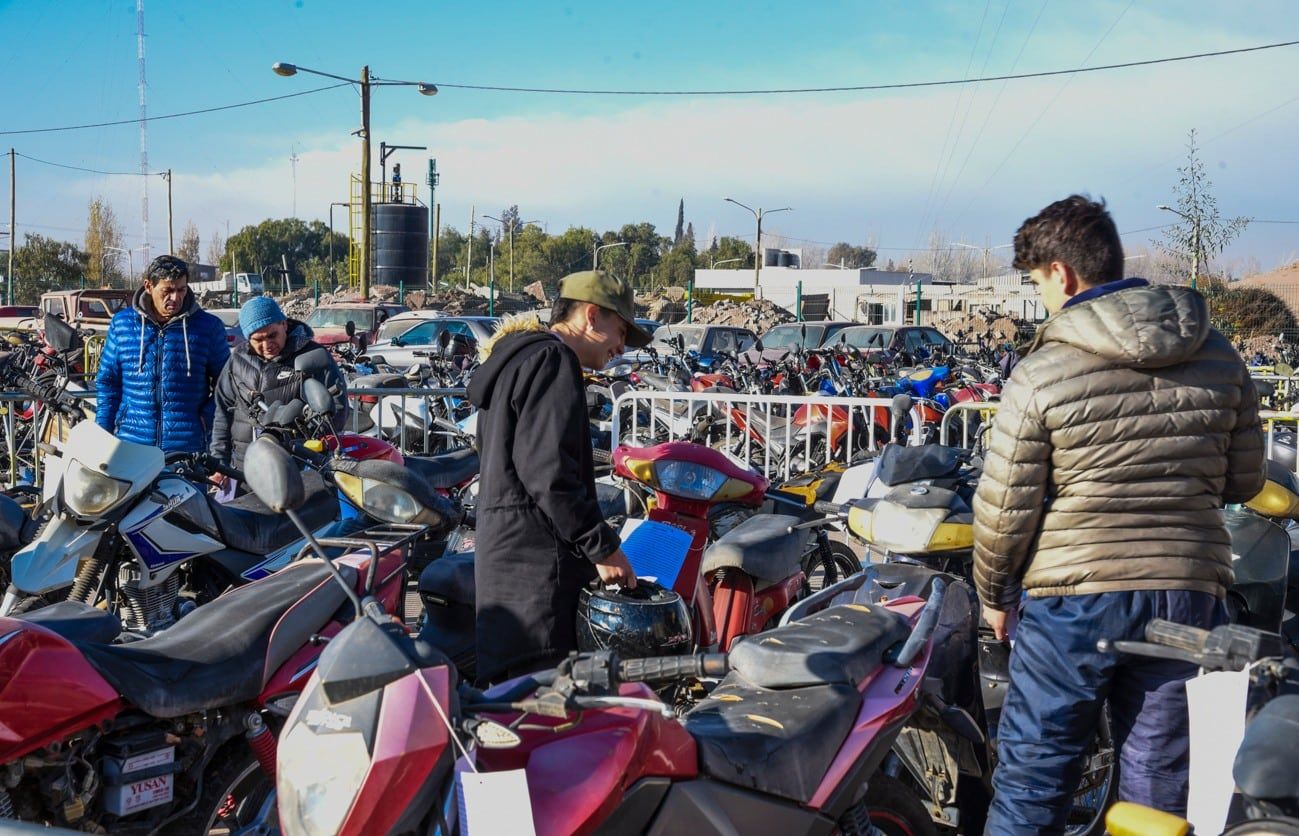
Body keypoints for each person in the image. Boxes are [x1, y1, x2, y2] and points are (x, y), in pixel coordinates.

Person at [973, 195, 1264, 834]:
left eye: (1036, 282)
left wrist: (994, 592)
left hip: (1073, 599)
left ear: (1063, 274)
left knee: (1034, 783)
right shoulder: (1218, 356)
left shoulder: (1044, 370)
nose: (1041, 297)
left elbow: (1005, 508)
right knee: (1160, 793)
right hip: (1189, 594)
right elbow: (1244, 481)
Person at [466, 269, 652, 684]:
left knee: (507, 713)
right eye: (620, 331)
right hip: (538, 579)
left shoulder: (516, 360)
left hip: (505, 568)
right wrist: (603, 548)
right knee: (542, 721)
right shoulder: (553, 361)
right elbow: (550, 475)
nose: (621, 348)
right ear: (591, 315)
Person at [96, 255, 230, 453]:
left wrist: (205, 419)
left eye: (181, 290)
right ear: (149, 286)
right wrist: (102, 435)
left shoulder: (208, 327)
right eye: (167, 290)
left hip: (187, 449)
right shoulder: (122, 324)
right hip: (130, 445)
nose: (175, 298)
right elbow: (108, 382)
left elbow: (227, 384)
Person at [209, 296, 348, 475]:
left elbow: (337, 409)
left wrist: (298, 441)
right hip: (245, 468)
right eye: (258, 340)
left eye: (272, 335)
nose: (267, 345)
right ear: (247, 338)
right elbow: (222, 413)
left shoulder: (315, 357)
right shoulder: (237, 360)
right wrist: (220, 464)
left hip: (297, 468)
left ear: (284, 324)